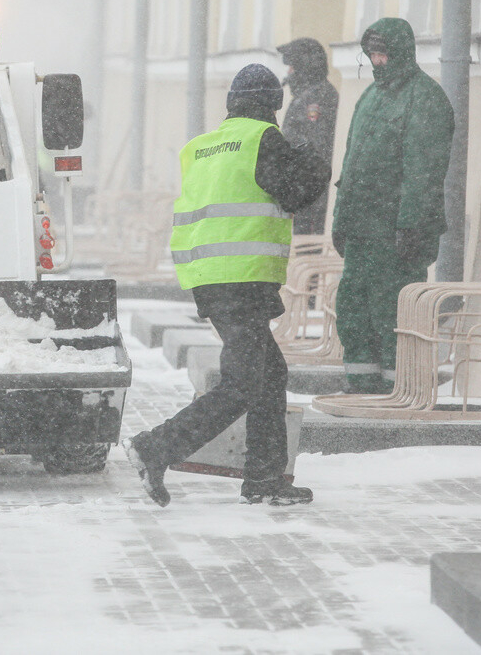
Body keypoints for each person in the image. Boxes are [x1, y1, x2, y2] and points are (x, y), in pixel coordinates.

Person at [125, 64, 331, 507]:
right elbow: (297, 192)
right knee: (241, 384)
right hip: (243, 277)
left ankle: (265, 478)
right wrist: (314, 158)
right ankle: (156, 447)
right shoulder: (263, 140)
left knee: (269, 374)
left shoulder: (202, 146)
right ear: (272, 105)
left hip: (211, 277)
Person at [330, 17, 454, 394]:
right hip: (362, 231)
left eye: (382, 54)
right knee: (353, 308)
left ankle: (397, 386)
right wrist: (340, 218)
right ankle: (362, 382)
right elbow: (351, 163)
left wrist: (412, 225)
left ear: (401, 52)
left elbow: (424, 170)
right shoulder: (371, 97)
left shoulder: (425, 97)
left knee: (392, 312)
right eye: (372, 55)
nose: (377, 62)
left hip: (396, 233)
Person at [276, 38, 339, 236]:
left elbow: (313, 147)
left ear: (305, 68)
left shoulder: (317, 98)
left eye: (292, 67)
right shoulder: (308, 96)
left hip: (308, 191)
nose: (288, 73)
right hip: (300, 188)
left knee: (306, 247)